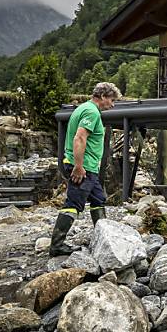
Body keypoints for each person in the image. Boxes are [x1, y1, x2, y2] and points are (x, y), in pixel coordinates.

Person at [50, 81, 122, 257]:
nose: (112, 105)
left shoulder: (82, 108)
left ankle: (104, 238)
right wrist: (79, 166)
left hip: (86, 167)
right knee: (74, 203)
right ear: (103, 96)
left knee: (98, 198)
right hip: (84, 167)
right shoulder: (91, 112)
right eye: (112, 100)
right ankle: (57, 245)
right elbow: (79, 139)